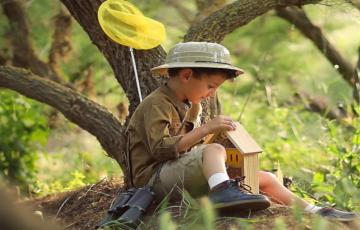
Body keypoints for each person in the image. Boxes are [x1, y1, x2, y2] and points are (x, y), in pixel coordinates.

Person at [126, 42, 357, 221]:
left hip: (172, 175)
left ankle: (315, 211)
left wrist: (195, 114)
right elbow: (162, 150)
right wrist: (206, 128)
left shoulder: (182, 102)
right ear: (186, 75)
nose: (211, 94)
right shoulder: (157, 104)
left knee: (262, 178)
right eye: (210, 86)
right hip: (153, 182)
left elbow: (184, 144)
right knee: (213, 149)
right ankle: (222, 192)